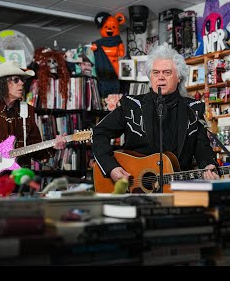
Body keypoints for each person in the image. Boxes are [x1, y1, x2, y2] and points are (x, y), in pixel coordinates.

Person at [92, 44, 220, 185]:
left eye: (167, 72)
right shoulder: (131, 105)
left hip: (178, 189)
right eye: (155, 73)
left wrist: (208, 165)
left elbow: (202, 149)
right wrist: (112, 168)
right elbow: (99, 133)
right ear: (150, 77)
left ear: (179, 77)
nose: (160, 78)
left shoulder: (194, 109)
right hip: (134, 189)